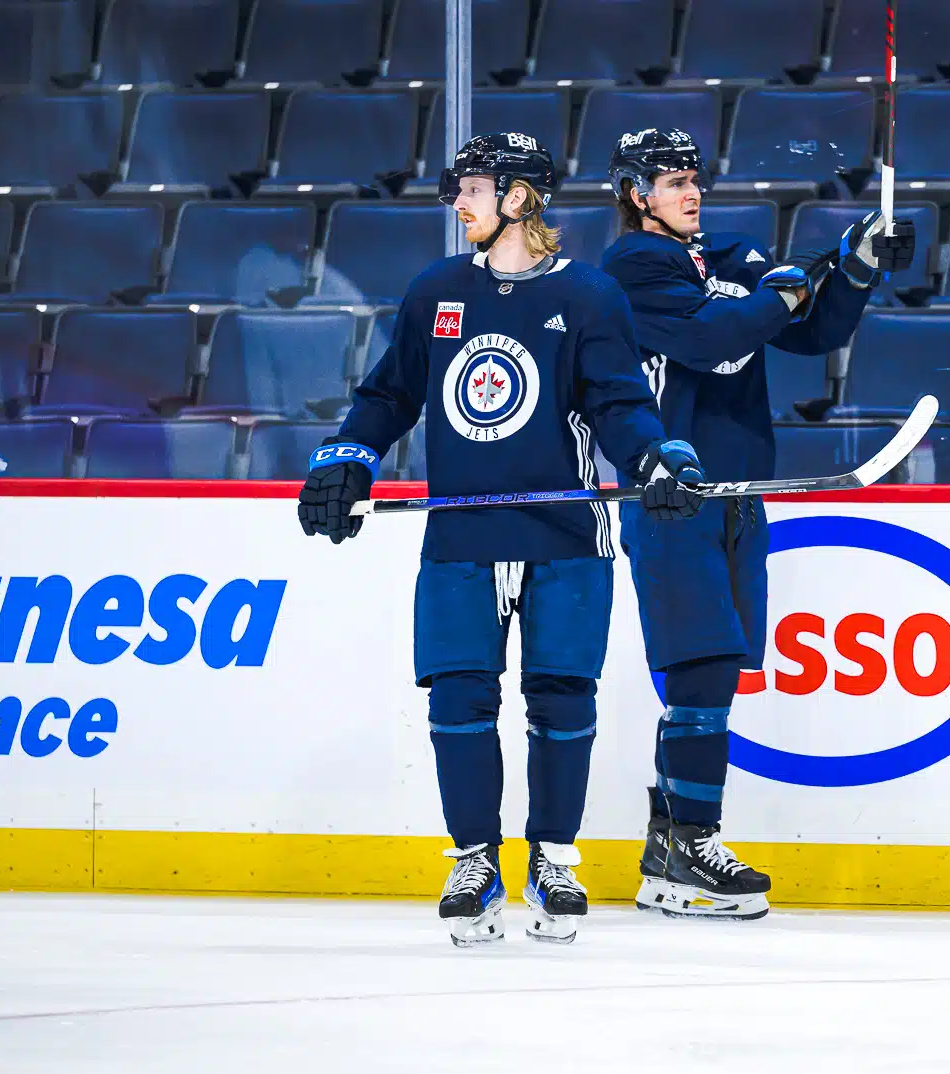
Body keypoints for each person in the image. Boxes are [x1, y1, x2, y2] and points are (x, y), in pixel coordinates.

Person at [297, 132, 706, 946]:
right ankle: (475, 861)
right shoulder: (437, 291)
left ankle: (552, 857)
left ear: (519, 198)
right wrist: (347, 456)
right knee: (458, 697)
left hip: (565, 532)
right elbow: (389, 395)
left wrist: (656, 458)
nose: (460, 202)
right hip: (462, 531)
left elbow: (620, 404)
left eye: (474, 188)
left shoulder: (589, 295)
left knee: (562, 697)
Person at [600, 128, 917, 920]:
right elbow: (712, 338)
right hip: (672, 497)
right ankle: (690, 846)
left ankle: (669, 850)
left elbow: (812, 332)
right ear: (636, 194)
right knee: (701, 671)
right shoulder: (631, 269)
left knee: (716, 674)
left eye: (694, 178)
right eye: (673, 181)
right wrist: (781, 290)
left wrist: (855, 267)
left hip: (741, 495)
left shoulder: (731, 254)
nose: (692, 192)